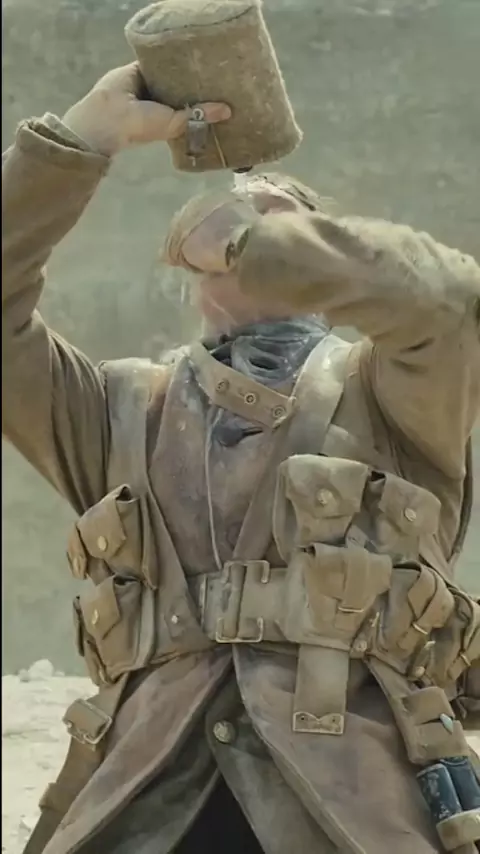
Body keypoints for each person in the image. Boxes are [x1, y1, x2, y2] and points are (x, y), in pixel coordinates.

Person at [2, 62, 480, 854]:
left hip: (356, 812)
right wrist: (85, 135)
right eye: (229, 218)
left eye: (283, 223)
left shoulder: (395, 397)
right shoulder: (118, 411)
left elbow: (451, 303)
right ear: (186, 269)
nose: (247, 223)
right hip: (141, 806)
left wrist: (269, 247)